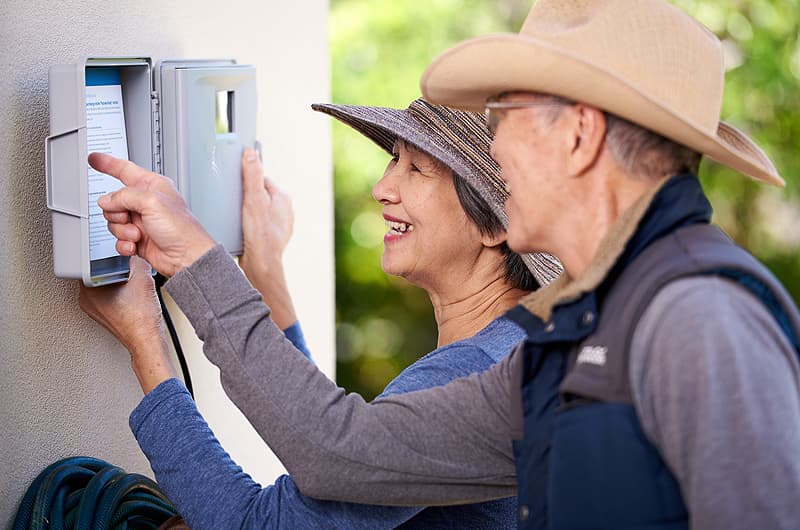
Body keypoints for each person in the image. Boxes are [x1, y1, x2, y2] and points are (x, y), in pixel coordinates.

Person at [90, 1, 800, 528]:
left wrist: (184, 291)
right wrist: (220, 267)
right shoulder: (562, 345)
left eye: (506, 120)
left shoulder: (700, 319)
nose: (498, 152)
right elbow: (343, 452)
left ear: (579, 136)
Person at [80, 98, 561, 529]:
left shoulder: (472, 372)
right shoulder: (517, 345)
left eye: (417, 169)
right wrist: (266, 275)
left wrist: (146, 343)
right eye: (395, 158)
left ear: (498, 227)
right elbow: (340, 446)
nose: (382, 187)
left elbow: (259, 523)